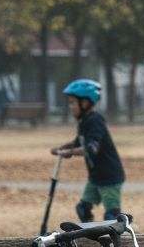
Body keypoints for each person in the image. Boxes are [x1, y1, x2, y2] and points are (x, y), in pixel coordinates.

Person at [51, 79, 125, 222]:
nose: (70, 106)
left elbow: (92, 148)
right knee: (83, 209)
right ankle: (89, 238)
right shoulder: (84, 121)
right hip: (95, 176)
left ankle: (121, 240)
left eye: (72, 102)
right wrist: (62, 148)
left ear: (84, 102)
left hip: (109, 176)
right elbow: (79, 141)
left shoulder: (95, 120)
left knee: (112, 217)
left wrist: (71, 152)